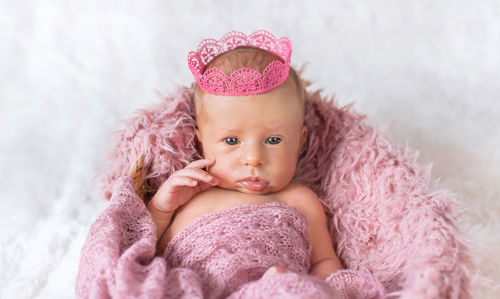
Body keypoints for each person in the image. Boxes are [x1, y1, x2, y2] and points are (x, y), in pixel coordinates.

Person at [142, 30, 344, 281]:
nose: (253, 158)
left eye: (273, 140)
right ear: (200, 141)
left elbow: (325, 262)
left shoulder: (299, 199)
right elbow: (144, 250)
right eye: (231, 140)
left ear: (300, 141)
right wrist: (160, 209)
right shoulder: (189, 192)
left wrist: (310, 288)